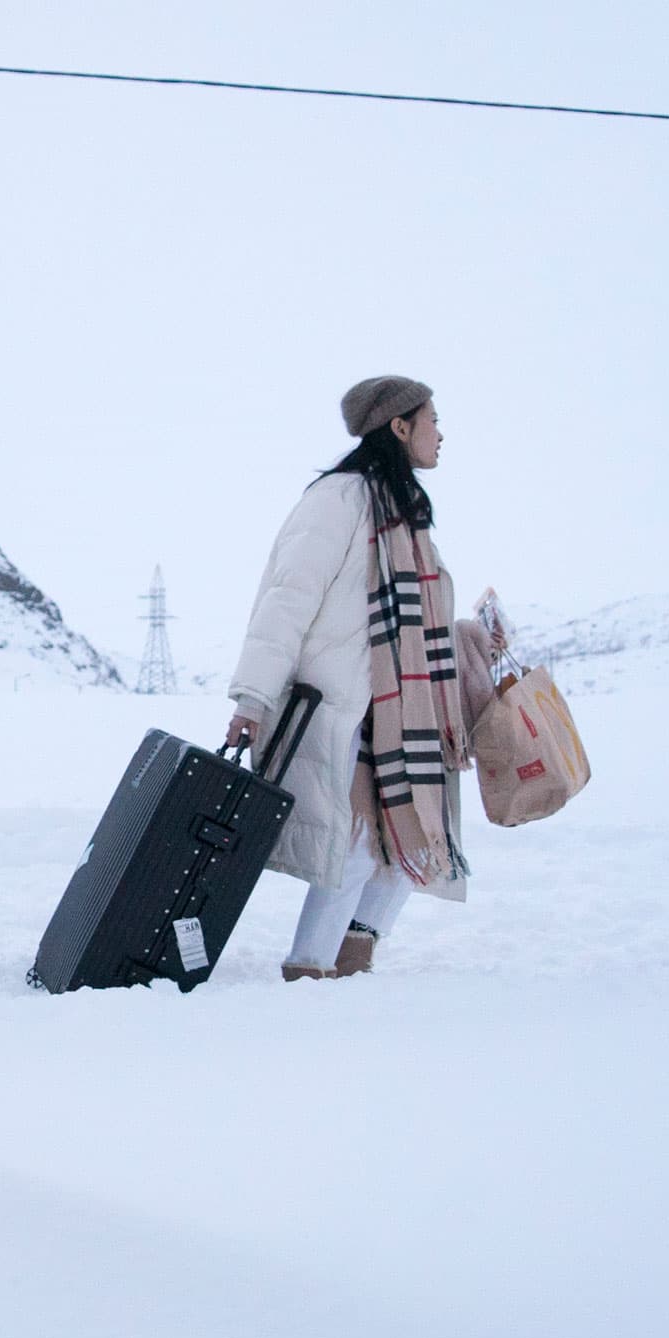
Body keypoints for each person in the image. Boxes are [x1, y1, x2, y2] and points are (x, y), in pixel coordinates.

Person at [225, 376, 500, 982]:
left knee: (414, 841)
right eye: (433, 419)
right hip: (340, 706)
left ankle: (354, 959)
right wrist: (252, 695)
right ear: (399, 427)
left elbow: (410, 622)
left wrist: (468, 638)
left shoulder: (407, 516)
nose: (441, 432)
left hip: (404, 710)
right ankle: (309, 972)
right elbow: (285, 601)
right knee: (351, 849)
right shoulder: (340, 501)